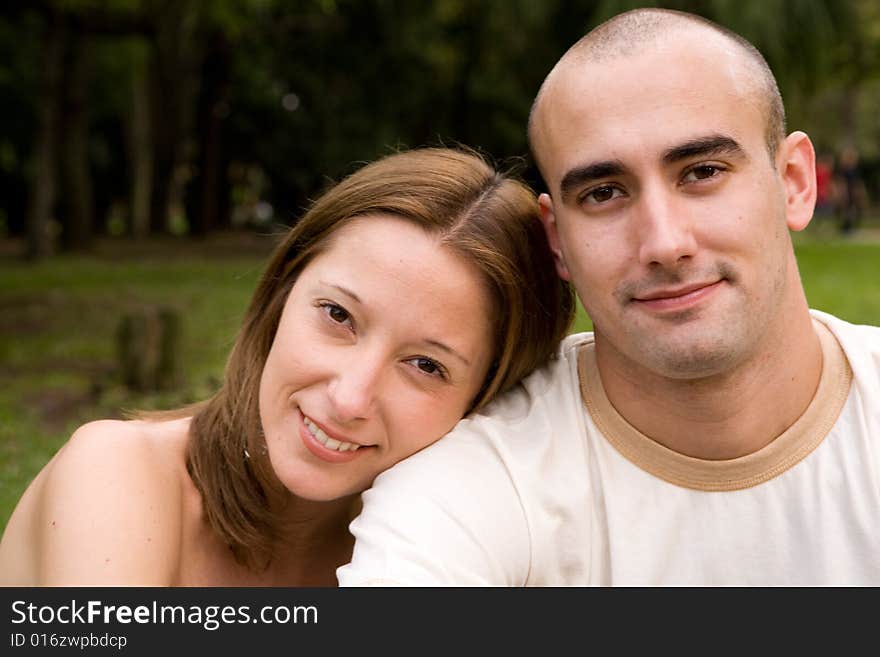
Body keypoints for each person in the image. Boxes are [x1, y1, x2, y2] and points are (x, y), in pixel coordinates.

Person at [337, 8, 880, 586]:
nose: (665, 243)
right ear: (558, 242)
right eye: (603, 193)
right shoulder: (473, 488)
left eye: (701, 172)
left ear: (794, 181)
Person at [0, 147, 574, 586]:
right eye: (337, 315)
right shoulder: (118, 472)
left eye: (425, 365)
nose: (350, 398)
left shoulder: (436, 551)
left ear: (485, 396)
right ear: (281, 293)